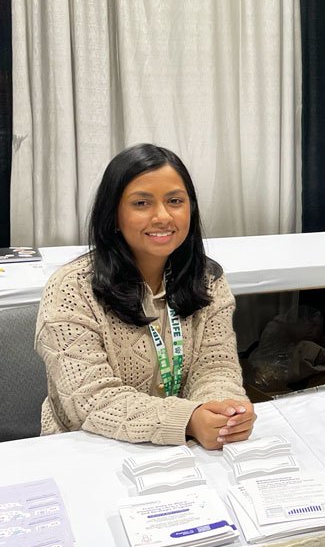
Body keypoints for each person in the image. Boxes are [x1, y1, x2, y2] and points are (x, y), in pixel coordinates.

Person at [37, 144, 255, 449]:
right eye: (142, 203)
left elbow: (217, 368)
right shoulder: (71, 290)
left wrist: (222, 413)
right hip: (88, 450)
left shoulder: (206, 280)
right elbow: (90, 401)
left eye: (175, 201)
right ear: (113, 215)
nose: (163, 216)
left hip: (182, 447)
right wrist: (189, 419)